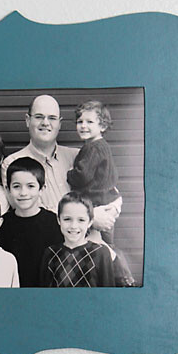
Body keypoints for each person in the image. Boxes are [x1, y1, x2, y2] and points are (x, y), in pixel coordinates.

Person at [0, 95, 120, 233]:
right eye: (39, 117)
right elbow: (28, 212)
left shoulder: (78, 156)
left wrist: (111, 211)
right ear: (28, 120)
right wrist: (90, 216)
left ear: (59, 124)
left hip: (83, 243)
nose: (45, 123)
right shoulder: (13, 163)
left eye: (52, 118)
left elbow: (109, 190)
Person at [0, 157, 63, 287]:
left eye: (30, 186)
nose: (23, 193)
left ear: (42, 189)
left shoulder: (55, 223)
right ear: (8, 189)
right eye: (16, 186)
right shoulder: (1, 225)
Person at [67, 101, 120, 246]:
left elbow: (83, 175)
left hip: (96, 204)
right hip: (105, 201)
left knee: (97, 246)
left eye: (89, 122)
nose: (83, 126)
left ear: (102, 126)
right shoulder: (103, 147)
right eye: (80, 122)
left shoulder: (93, 148)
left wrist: (70, 174)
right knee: (106, 244)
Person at [39, 193, 114, 287]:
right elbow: (44, 294)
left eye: (81, 220)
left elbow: (108, 294)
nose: (73, 226)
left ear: (90, 222)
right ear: (58, 220)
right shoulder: (50, 253)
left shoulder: (100, 253)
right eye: (67, 219)